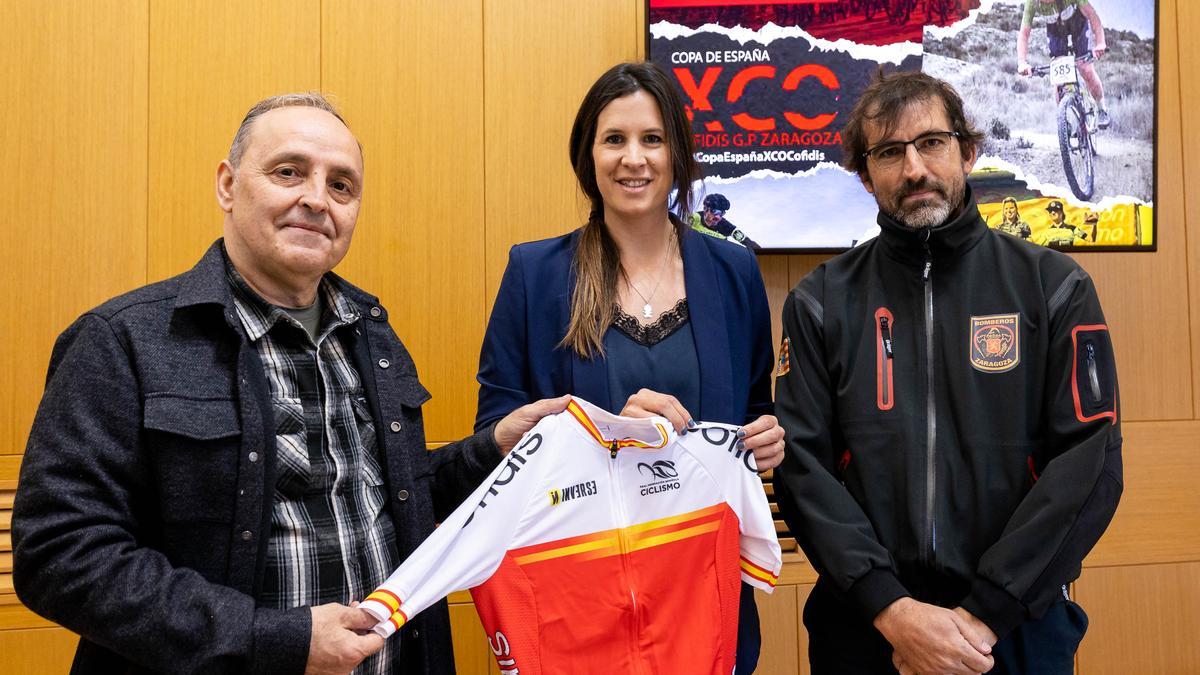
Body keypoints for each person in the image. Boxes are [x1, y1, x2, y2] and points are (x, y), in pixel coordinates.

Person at [11, 93, 567, 675]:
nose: (316, 199)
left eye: (342, 186)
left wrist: (495, 449)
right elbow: (60, 555)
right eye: (288, 172)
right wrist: (276, 641)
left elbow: (391, 496)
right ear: (228, 185)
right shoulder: (120, 341)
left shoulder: (370, 332)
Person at [773, 71, 1122, 675]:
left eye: (931, 143)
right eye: (888, 152)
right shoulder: (819, 300)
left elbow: (1091, 463)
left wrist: (983, 616)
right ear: (865, 175)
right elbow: (802, 469)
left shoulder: (1053, 287)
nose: (913, 170)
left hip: (1016, 634)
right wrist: (894, 612)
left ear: (967, 150)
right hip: (865, 634)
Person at [473, 62, 785, 674]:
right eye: (614, 139)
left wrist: (767, 437)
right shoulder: (535, 275)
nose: (633, 159)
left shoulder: (735, 272)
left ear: (678, 153)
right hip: (580, 603)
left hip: (706, 597)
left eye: (652, 139)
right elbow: (497, 438)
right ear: (587, 155)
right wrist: (610, 434)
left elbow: (755, 408)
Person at [1017, 0, 1111, 128]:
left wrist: (1100, 43)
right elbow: (1024, 34)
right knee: (1058, 79)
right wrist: (1022, 62)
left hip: (1078, 25)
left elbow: (1092, 15)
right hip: (1056, 31)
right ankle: (1064, 122)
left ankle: (1102, 110)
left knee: (1086, 69)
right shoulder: (1032, 2)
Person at [691, 193, 761, 249]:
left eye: (721, 213)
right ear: (705, 209)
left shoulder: (725, 225)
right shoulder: (695, 218)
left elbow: (747, 241)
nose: (718, 217)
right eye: (714, 211)